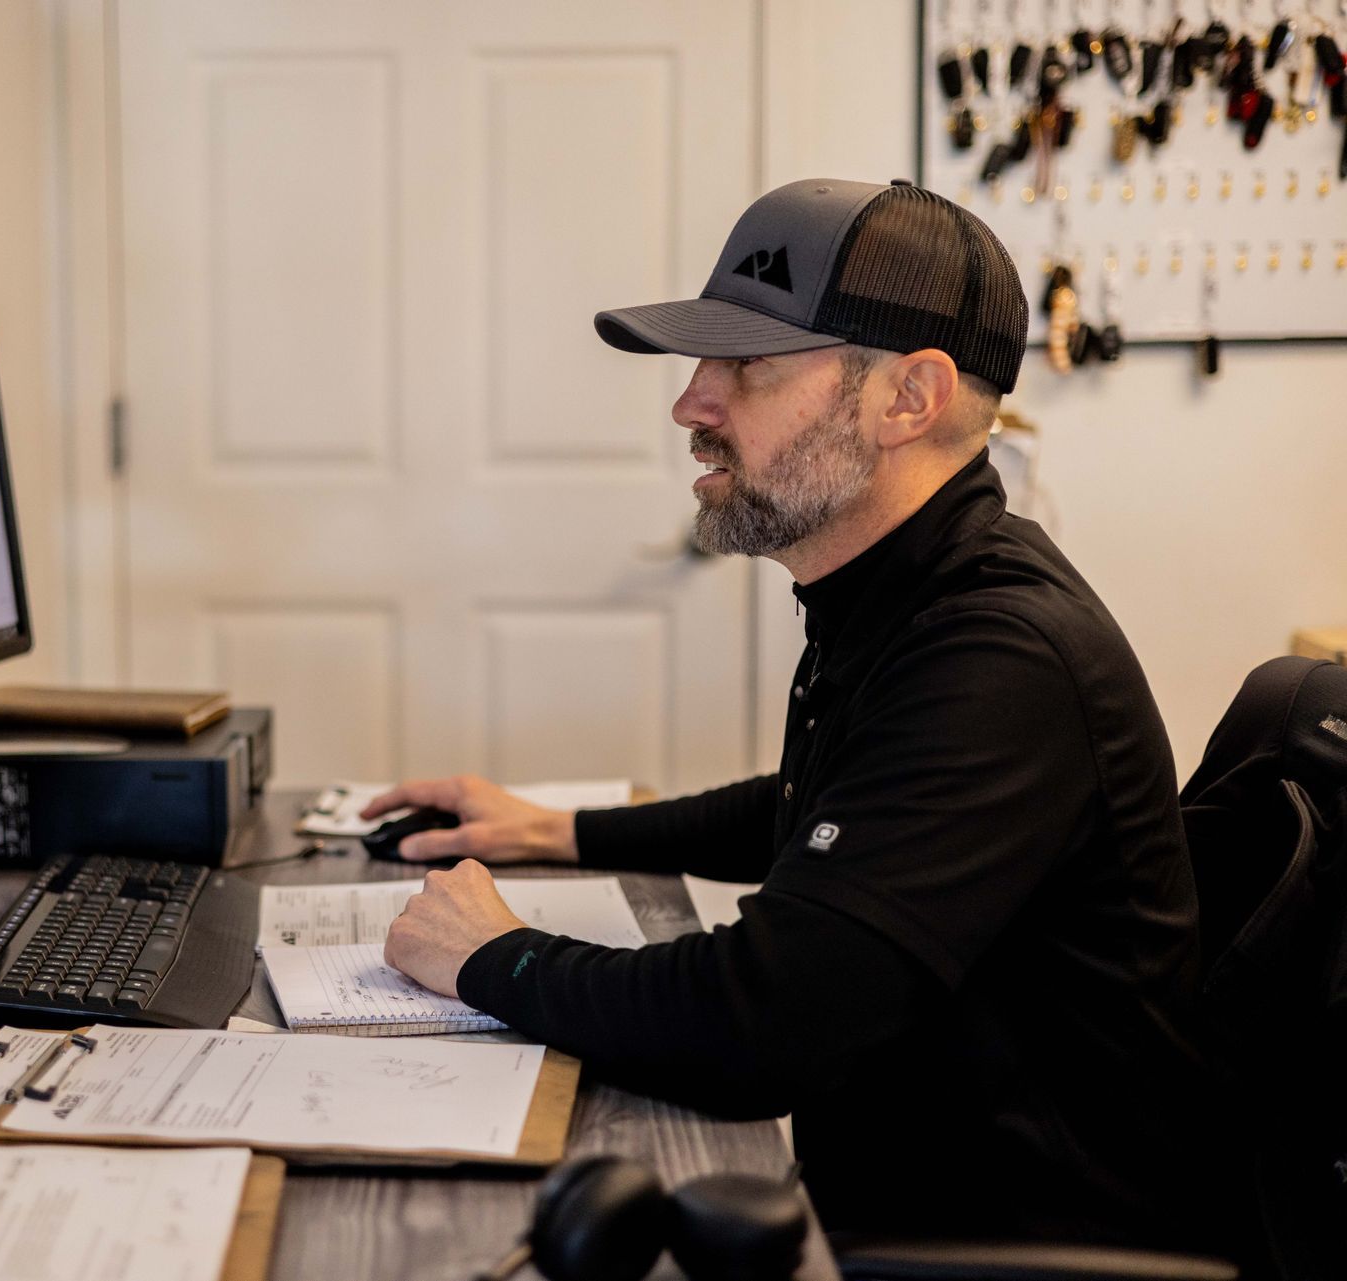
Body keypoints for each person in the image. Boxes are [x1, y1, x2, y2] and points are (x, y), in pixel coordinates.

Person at [372, 179, 1230, 1251]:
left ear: (908, 398)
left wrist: (491, 957)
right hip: (889, 1200)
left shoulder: (1001, 657)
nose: (692, 403)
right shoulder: (895, 593)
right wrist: (558, 830)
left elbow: (760, 1026)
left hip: (1000, 1250)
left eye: (748, 365)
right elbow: (822, 812)